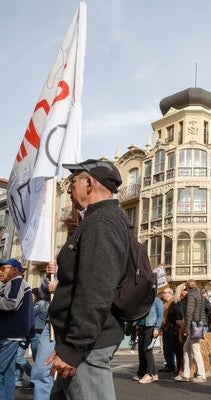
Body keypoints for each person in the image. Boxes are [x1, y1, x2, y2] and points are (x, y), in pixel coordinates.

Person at [47, 159, 129, 400]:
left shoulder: (101, 222)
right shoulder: (100, 220)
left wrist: (74, 348)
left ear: (90, 183)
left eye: (73, 182)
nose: (70, 189)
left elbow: (95, 290)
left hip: (86, 347)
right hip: (81, 342)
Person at [0, 258, 34, 400]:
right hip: (10, 334)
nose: (0, 272)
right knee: (8, 372)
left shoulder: (17, 282)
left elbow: (11, 303)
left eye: (4, 269)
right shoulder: (10, 283)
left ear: (15, 270)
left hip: (10, 334)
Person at [31, 261, 59, 399]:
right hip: (53, 324)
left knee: (73, 377)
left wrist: (60, 289)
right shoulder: (65, 257)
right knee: (41, 371)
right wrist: (49, 276)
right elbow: (44, 293)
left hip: (78, 323)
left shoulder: (94, 251)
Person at [180, 279, 211, 383]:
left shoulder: (191, 295)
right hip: (199, 324)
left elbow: (189, 312)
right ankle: (186, 374)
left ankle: (201, 375)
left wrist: (186, 328)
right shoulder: (199, 294)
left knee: (195, 349)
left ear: (188, 287)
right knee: (186, 348)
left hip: (194, 324)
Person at [134, 296, 164, 384]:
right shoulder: (143, 299)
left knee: (147, 350)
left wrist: (157, 328)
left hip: (151, 327)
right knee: (142, 350)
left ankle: (149, 374)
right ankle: (154, 374)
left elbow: (160, 315)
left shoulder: (157, 300)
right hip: (142, 326)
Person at [169, 283, 188, 380]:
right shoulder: (174, 304)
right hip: (177, 330)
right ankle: (180, 369)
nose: (186, 291)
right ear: (179, 291)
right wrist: (176, 322)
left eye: (187, 289)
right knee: (179, 350)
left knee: (188, 350)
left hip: (188, 329)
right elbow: (170, 317)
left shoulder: (190, 301)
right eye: (185, 289)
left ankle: (186, 370)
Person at [159, 287, 177, 373]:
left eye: (164, 292)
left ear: (170, 293)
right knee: (166, 348)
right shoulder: (165, 302)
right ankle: (169, 364)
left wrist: (169, 324)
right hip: (165, 327)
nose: (163, 294)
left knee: (170, 347)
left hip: (170, 327)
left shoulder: (173, 301)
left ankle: (171, 365)